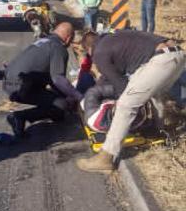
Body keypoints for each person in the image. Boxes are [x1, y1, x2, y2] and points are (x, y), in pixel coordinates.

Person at [76, 29, 186, 173]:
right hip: (178, 54)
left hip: (161, 59)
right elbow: (110, 77)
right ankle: (157, 129)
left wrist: (116, 100)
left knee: (125, 105)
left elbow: (120, 85)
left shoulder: (99, 54)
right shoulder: (114, 39)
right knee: (155, 93)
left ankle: (106, 157)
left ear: (89, 49)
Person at [3, 22, 83, 137]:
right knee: (60, 104)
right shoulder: (58, 48)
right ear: (68, 38)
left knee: (59, 113)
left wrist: (65, 94)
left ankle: (51, 111)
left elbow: (51, 79)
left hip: (9, 84)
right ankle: (19, 116)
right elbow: (57, 79)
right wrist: (78, 96)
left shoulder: (43, 41)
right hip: (21, 87)